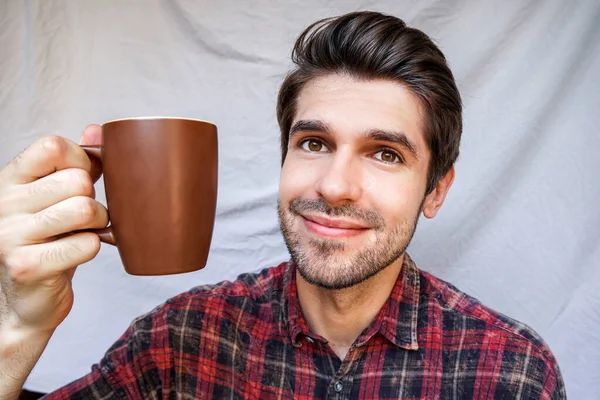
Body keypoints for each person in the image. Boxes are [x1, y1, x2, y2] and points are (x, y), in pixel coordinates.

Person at [0, 11, 565, 400]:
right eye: (314, 144)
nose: (335, 185)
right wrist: (19, 328)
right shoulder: (180, 339)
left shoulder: (509, 372)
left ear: (436, 190)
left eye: (385, 153)